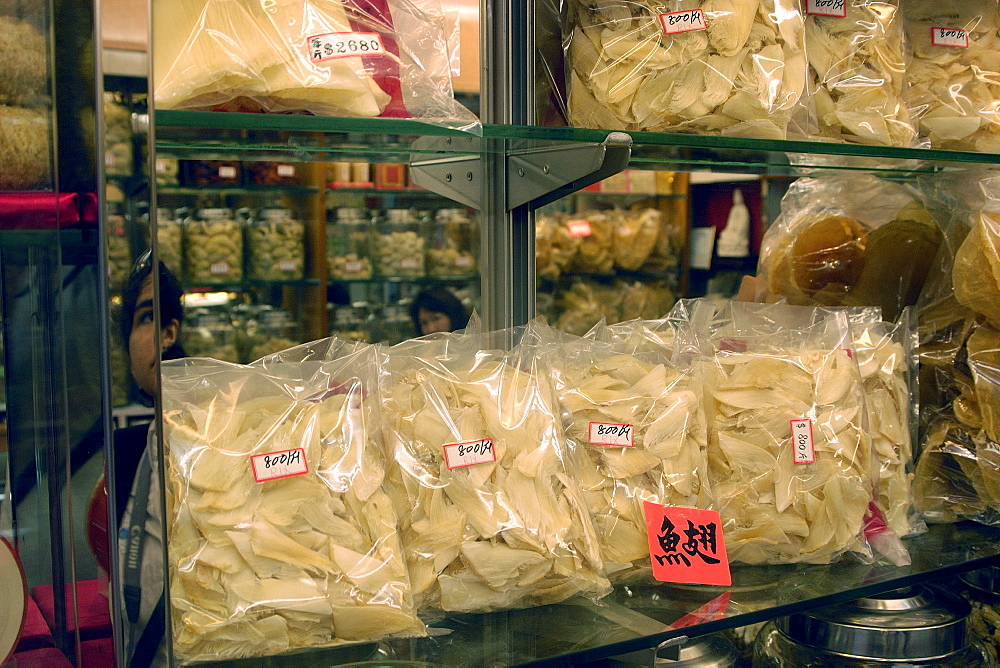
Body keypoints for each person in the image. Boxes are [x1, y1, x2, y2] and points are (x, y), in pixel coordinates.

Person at [113, 251, 185, 667]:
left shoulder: (229, 434)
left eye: (161, 318)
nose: (160, 333)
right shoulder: (129, 456)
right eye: (143, 320)